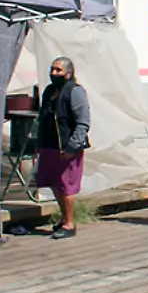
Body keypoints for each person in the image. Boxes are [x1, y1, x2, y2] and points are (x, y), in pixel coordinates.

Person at [36, 57, 91, 240]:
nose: (54, 73)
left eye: (58, 70)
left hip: (67, 147)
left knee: (67, 186)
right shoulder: (49, 91)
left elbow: (82, 122)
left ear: (68, 73)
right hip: (49, 145)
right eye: (52, 69)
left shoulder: (75, 92)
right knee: (54, 183)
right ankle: (63, 218)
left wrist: (73, 146)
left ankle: (70, 223)